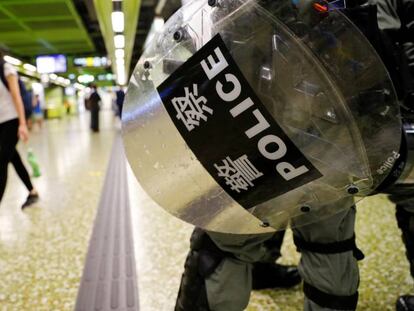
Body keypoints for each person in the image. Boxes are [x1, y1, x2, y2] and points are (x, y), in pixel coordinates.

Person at [0, 52, 39, 209]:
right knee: (13, 157)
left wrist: (22, 123)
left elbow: (16, 96)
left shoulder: (6, 68)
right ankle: (32, 191)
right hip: (1, 122)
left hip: (13, 119)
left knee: (1, 161)